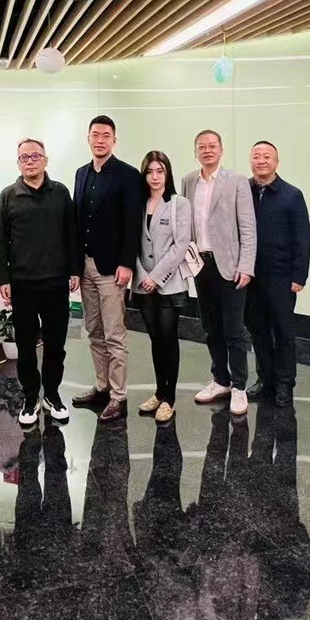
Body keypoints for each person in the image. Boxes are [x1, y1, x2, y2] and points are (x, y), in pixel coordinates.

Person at [0, 138, 80, 428]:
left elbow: (71, 233)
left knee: (56, 345)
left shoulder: (60, 192)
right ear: (18, 163)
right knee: (26, 347)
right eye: (24, 157)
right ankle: (30, 397)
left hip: (56, 283)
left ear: (45, 160)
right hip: (23, 285)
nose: (29, 161)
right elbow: (0, 240)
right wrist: (4, 278)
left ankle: (52, 395)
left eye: (35, 156)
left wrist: (74, 270)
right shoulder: (8, 195)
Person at [71, 115, 144, 424]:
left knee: (114, 334)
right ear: (88, 138)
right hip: (85, 265)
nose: (100, 140)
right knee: (93, 330)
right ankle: (102, 387)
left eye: (105, 135)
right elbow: (77, 222)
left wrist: (127, 262)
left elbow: (133, 221)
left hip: (112, 268)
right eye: (95, 134)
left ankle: (118, 396)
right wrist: (74, 267)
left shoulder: (127, 175)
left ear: (114, 140)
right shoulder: (81, 173)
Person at [184, 130, 257, 415]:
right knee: (210, 327)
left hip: (230, 265)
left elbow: (248, 227)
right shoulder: (189, 181)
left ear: (221, 150)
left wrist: (246, 266)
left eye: (212, 146)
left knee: (234, 330)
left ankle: (239, 386)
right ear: (196, 152)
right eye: (202, 146)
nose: (207, 150)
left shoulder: (236, 180)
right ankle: (220, 380)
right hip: (201, 265)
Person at [246, 140, 310, 408]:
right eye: (256, 156)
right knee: (258, 330)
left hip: (281, 276)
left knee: (283, 332)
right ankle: (265, 379)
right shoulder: (243, 191)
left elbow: (303, 237)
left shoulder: (292, 195)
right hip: (250, 276)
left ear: (276, 161)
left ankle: (285, 383)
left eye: (267, 156)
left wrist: (299, 276)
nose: (261, 161)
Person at [133, 150, 193, 425]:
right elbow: (131, 242)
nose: (155, 177)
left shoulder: (178, 203)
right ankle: (159, 392)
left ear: (167, 174)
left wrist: (156, 277)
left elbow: (181, 245)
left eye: (160, 171)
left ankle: (169, 399)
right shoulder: (138, 203)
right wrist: (142, 274)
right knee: (155, 339)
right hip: (142, 283)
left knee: (168, 339)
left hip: (168, 284)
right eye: (150, 171)